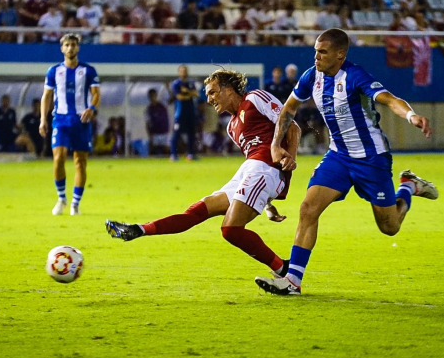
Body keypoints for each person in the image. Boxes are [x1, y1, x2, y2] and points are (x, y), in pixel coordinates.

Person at [255, 28, 439, 296]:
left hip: (371, 158)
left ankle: (408, 186)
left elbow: (389, 99)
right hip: (338, 157)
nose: (316, 56)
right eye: (316, 50)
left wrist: (411, 116)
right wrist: (274, 144)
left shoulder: (354, 76)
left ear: (340, 54)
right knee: (308, 209)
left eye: (323, 51)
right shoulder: (311, 76)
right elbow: (289, 108)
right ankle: (293, 281)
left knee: (389, 227)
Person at [106, 69, 301, 277]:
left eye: (212, 92)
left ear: (228, 89)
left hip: (264, 168)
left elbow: (293, 127)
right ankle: (139, 229)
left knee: (231, 230)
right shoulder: (232, 127)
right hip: (251, 170)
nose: (208, 99)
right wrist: (268, 203)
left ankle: (282, 268)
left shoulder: (255, 98)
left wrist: (290, 157)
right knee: (196, 211)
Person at [40, 34, 100, 216]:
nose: (70, 48)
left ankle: (75, 203)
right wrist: (43, 119)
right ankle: (61, 198)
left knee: (80, 163)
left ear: (78, 48)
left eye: (73, 45)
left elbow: (96, 93)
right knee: (58, 157)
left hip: (81, 120)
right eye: (67, 45)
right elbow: (47, 96)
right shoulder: (54, 71)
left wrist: (91, 108)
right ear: (62, 48)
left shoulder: (88, 70)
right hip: (60, 119)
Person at [170, 65, 198, 161]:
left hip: (190, 112)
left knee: (192, 134)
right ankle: (174, 155)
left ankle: (190, 154)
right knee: (176, 134)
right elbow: (180, 97)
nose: (184, 72)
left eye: (185, 71)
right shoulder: (176, 84)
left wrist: (187, 92)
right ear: (179, 72)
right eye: (182, 71)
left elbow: (196, 94)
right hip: (180, 113)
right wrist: (190, 94)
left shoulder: (190, 83)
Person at [145, 88, 170, 155]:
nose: (153, 98)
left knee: (166, 151)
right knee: (154, 151)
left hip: (165, 133)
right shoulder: (148, 109)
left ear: (156, 95)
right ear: (149, 97)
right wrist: (150, 136)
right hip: (155, 134)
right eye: (151, 96)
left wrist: (168, 88)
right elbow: (147, 123)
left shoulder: (163, 105)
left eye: (154, 95)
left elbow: (172, 99)